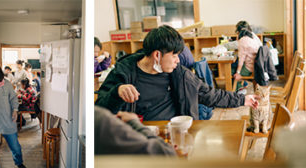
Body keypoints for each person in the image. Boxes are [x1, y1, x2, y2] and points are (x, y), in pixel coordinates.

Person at [91, 26, 252, 122]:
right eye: (174, 55)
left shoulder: (180, 74)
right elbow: (98, 112)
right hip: (138, 140)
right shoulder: (123, 73)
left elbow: (210, 94)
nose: (177, 60)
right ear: (157, 55)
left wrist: (243, 99)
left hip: (175, 135)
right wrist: (117, 92)